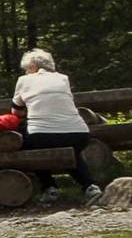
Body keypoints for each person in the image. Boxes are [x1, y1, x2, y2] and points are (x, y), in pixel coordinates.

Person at [14, 49, 103, 203]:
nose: (26, 72)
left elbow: (16, 111)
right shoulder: (63, 78)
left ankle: (49, 188)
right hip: (79, 133)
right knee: (69, 151)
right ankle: (90, 186)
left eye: (27, 68)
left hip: (41, 135)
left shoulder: (24, 80)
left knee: (31, 147)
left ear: (33, 66)